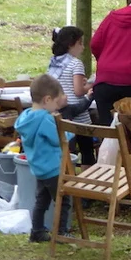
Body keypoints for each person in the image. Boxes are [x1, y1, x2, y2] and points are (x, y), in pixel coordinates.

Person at [15, 75, 72, 243]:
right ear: (47, 100)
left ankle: (37, 231)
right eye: (56, 102)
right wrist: (69, 130)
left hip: (38, 168)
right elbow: (59, 139)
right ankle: (61, 232)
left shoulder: (26, 117)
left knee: (41, 201)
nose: (57, 107)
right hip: (53, 168)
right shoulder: (45, 119)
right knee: (63, 200)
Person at [47, 26, 96, 168]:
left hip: (60, 113)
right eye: (80, 43)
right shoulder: (76, 63)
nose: (83, 47)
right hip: (79, 117)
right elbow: (79, 91)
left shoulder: (54, 62)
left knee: (67, 150)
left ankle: (67, 173)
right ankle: (87, 177)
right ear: (70, 44)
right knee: (87, 151)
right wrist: (91, 85)